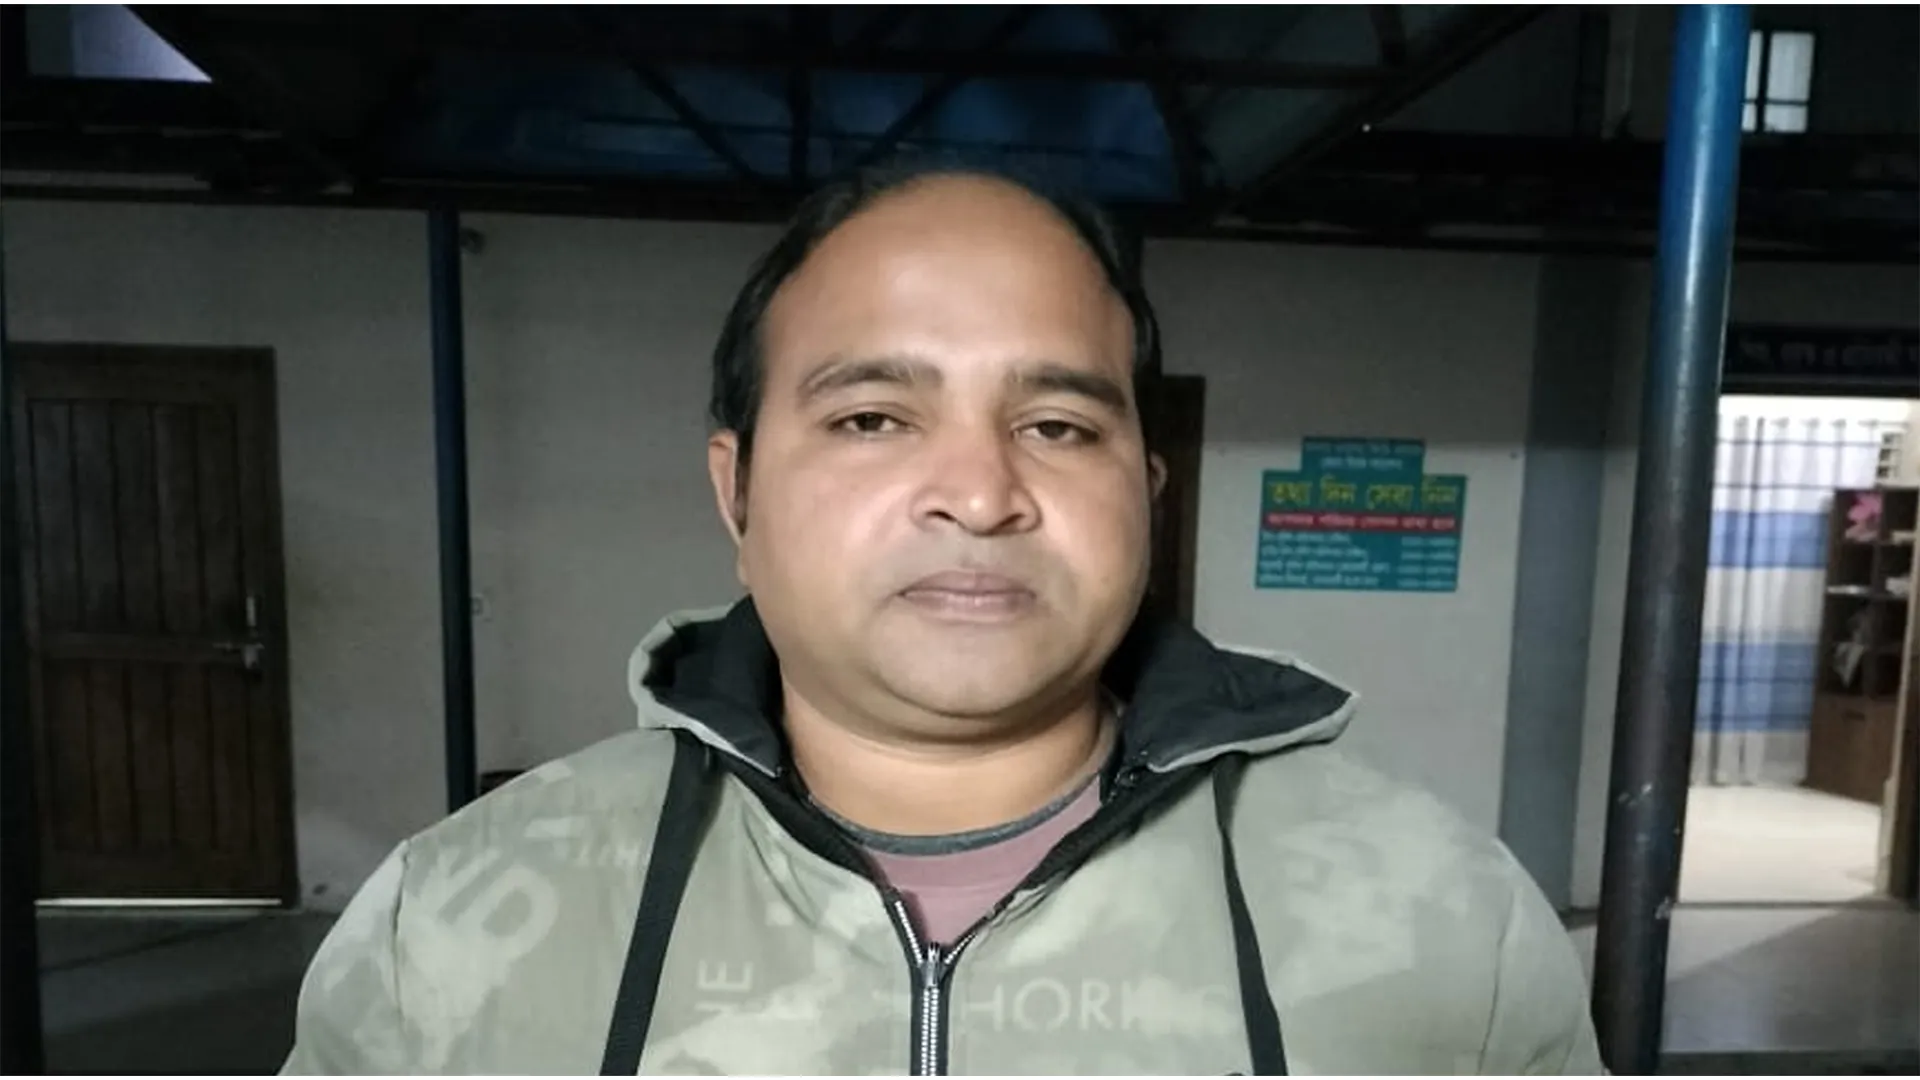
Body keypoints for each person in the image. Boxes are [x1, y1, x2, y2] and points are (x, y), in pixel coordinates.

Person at [281, 164, 1602, 1076]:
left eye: (1059, 426)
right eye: (873, 418)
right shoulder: (458, 924)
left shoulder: (1435, 921)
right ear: (737, 489)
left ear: (1145, 494)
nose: (980, 493)